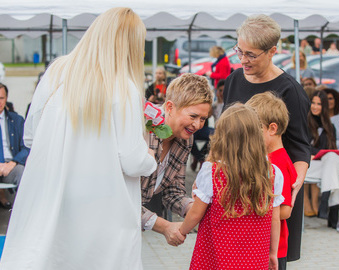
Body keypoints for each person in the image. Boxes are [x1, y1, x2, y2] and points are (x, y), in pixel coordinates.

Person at [0, 8, 157, 270]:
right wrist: (150, 158)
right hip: (103, 207)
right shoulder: (124, 86)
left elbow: (30, 137)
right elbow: (131, 160)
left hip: (53, 195)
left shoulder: (57, 73)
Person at [223, 14, 310, 262]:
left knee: (269, 258)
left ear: (272, 51)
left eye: (251, 54)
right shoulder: (233, 80)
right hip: (236, 185)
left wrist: (295, 184)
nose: (243, 60)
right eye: (239, 51)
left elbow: (301, 145)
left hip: (271, 191)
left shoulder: (289, 90)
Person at [179, 104, 282, 270]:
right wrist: (272, 253)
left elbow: (196, 214)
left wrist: (182, 231)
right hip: (255, 258)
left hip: (216, 257)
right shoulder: (272, 173)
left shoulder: (211, 172)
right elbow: (274, 219)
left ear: (222, 136)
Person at [141, 73, 213, 246]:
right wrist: (164, 226)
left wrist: (194, 208)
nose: (197, 125)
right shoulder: (143, 131)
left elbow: (173, 192)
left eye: (203, 119)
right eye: (193, 116)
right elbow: (122, 198)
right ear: (170, 107)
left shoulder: (186, 138)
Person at [246, 92, 297, 270]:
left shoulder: (278, 163)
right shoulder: (269, 159)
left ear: (272, 128)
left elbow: (284, 211)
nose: (249, 135)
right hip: (263, 244)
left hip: (272, 249)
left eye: (254, 129)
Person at [304, 91, 339, 228]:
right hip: (308, 165)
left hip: (324, 166)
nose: (315, 107)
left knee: (334, 159)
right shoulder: (304, 122)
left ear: (324, 106)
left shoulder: (330, 126)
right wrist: (314, 154)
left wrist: (318, 154)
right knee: (336, 164)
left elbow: (330, 147)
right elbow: (301, 146)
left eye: (319, 104)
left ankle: (325, 200)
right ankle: (330, 209)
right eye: (313, 103)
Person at [0, 83, 29, 209]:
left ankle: (23, 212)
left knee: (22, 172)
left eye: (1, 98)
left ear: (6, 99)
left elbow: (27, 146)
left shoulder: (17, 120)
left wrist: (13, 163)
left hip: (10, 165)